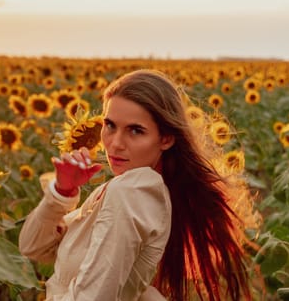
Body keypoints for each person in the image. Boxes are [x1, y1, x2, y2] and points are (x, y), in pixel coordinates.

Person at [18, 69, 253, 301]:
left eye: (135, 131)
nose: (115, 144)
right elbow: (35, 247)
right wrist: (62, 192)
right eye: (110, 125)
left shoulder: (130, 193)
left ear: (166, 139)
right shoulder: (122, 188)